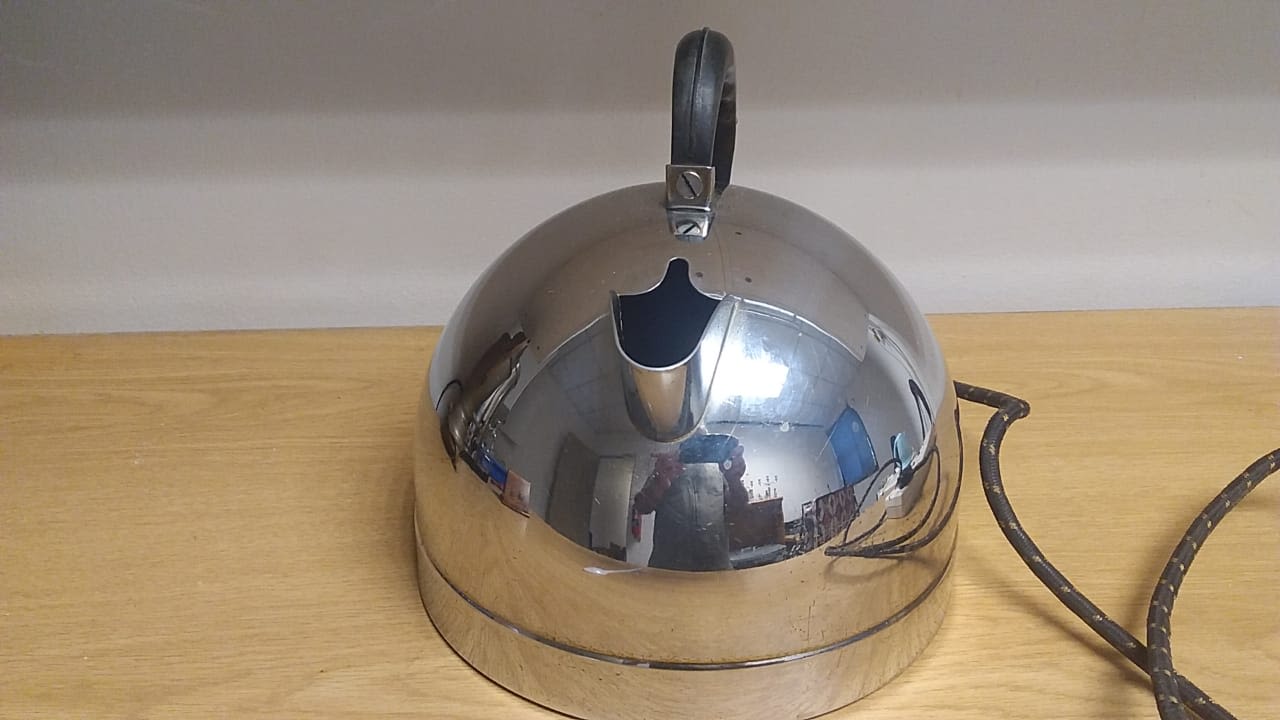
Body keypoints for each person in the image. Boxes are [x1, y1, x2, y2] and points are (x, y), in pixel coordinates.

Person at [633, 435, 747, 571]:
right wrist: (659, 482)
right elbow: (641, 507)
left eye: (703, 442)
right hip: (667, 568)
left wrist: (734, 479)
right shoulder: (668, 461)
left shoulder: (723, 466)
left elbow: (740, 507)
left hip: (717, 567)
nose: (698, 448)